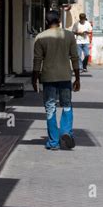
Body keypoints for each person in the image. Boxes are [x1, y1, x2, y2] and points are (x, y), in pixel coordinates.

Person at [33, 10, 80, 150]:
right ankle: (66, 131)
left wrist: (34, 79)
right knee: (66, 105)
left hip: (48, 77)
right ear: (59, 21)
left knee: (50, 107)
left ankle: (53, 142)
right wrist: (77, 78)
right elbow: (75, 58)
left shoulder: (40, 37)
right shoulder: (69, 35)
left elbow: (37, 61)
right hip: (65, 76)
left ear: (46, 22)